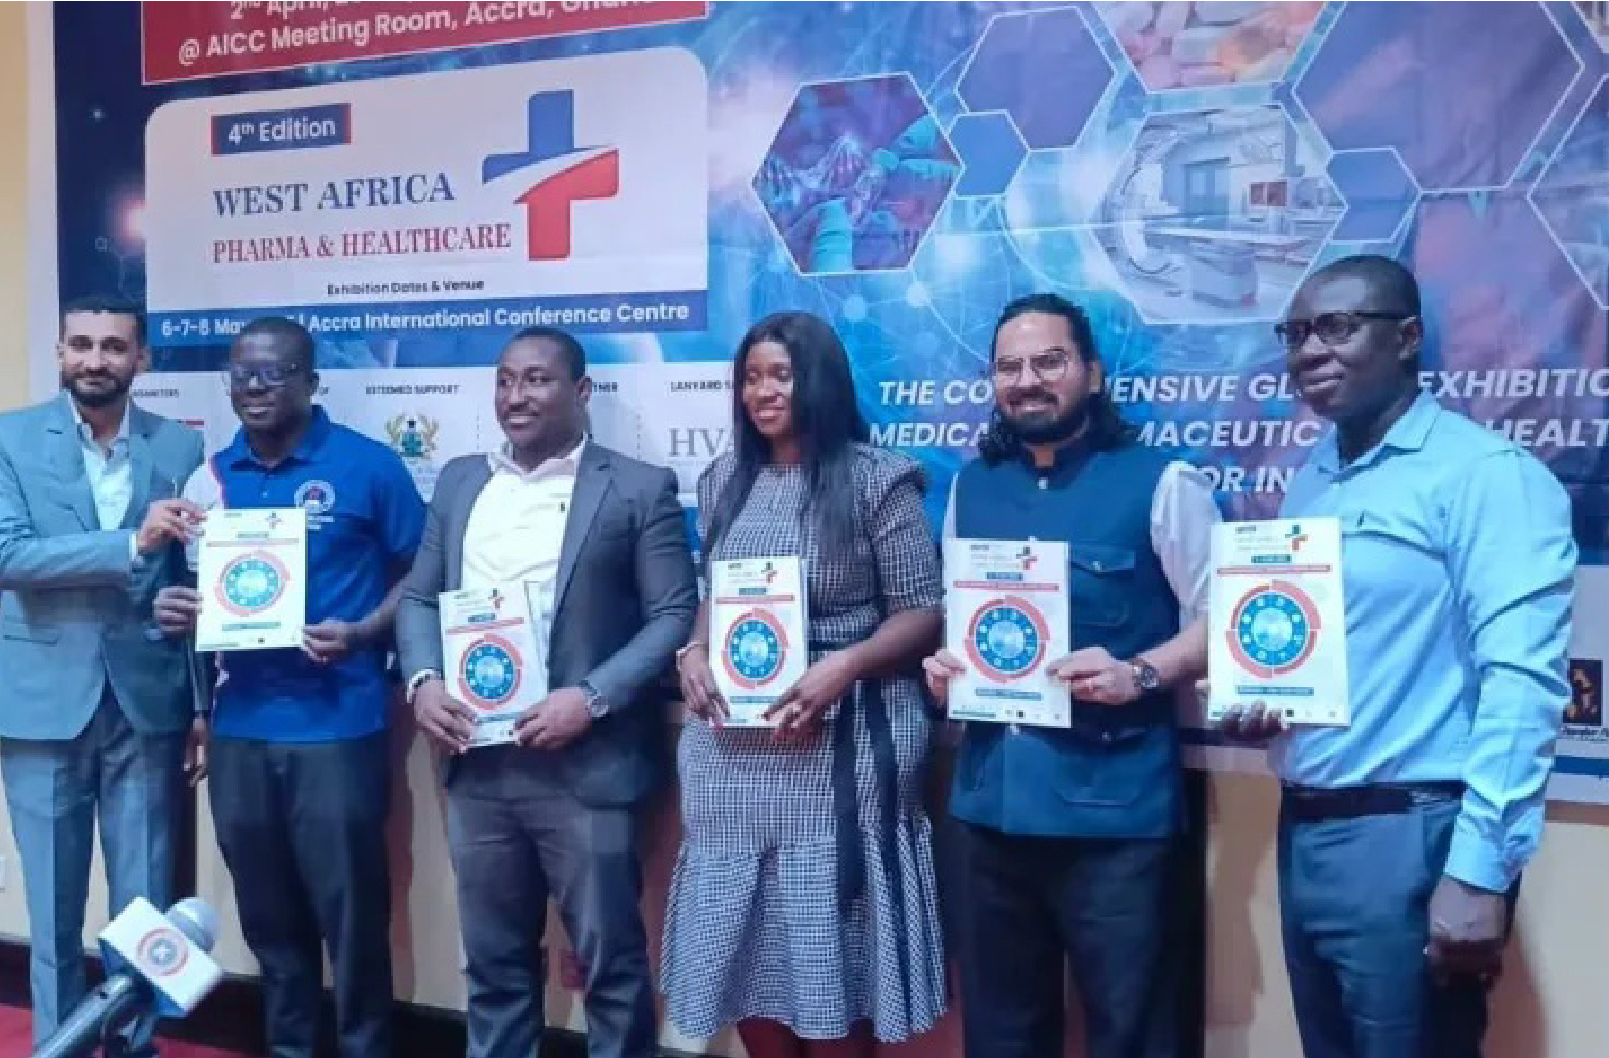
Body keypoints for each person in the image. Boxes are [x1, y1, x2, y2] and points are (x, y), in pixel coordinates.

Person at [1221, 255, 1576, 1058]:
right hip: (1306, 828)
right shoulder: (1315, 475)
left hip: (1412, 837)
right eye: (1295, 333)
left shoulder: (1485, 476)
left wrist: (1478, 871)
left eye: (1337, 327)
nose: (1309, 350)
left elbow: (1522, 686)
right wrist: (1272, 702)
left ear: (1407, 337)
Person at [922, 293, 1219, 1058]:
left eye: (1048, 362)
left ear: (1092, 372)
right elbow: (963, 623)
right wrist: (946, 669)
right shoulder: (972, 486)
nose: (1027, 381)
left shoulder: (1162, 482)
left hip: (1115, 822)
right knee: (1000, 1038)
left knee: (1133, 1036)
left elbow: (1226, 623)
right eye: (1008, 367)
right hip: (990, 814)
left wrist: (1141, 673)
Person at [397, 326, 697, 1058]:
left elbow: (672, 614)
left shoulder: (636, 485)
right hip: (478, 763)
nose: (515, 396)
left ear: (581, 390)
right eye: (504, 380)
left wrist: (588, 697)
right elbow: (418, 597)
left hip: (585, 767)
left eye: (536, 380)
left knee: (610, 968)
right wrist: (423, 682)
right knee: (493, 965)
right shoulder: (460, 480)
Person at [663, 310, 949, 1057]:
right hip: (731, 755)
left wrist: (845, 665)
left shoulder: (879, 479)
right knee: (745, 950)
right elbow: (715, 593)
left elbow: (924, 614)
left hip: (839, 742)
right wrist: (694, 649)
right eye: (750, 377)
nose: (762, 392)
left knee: (829, 949)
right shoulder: (723, 478)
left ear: (817, 380)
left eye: (780, 375)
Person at [153, 317, 425, 1058]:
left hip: (339, 727)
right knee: (269, 922)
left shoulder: (369, 467)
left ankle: (366, 1049)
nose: (254, 387)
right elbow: (193, 597)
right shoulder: (209, 479)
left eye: (273, 373)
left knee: (353, 919)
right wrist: (175, 611)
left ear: (311, 380)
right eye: (241, 373)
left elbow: (423, 575)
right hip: (240, 729)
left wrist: (363, 631)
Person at [0, 296, 206, 1057]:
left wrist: (199, 698)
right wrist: (132, 544)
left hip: (147, 702)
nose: (95, 360)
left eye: (113, 346)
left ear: (142, 358)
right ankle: (60, 1047)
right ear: (60, 353)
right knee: (53, 907)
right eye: (81, 344)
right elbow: (8, 558)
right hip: (41, 703)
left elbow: (185, 576)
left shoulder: (179, 444)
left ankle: (133, 1046)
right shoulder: (4, 438)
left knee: (145, 906)